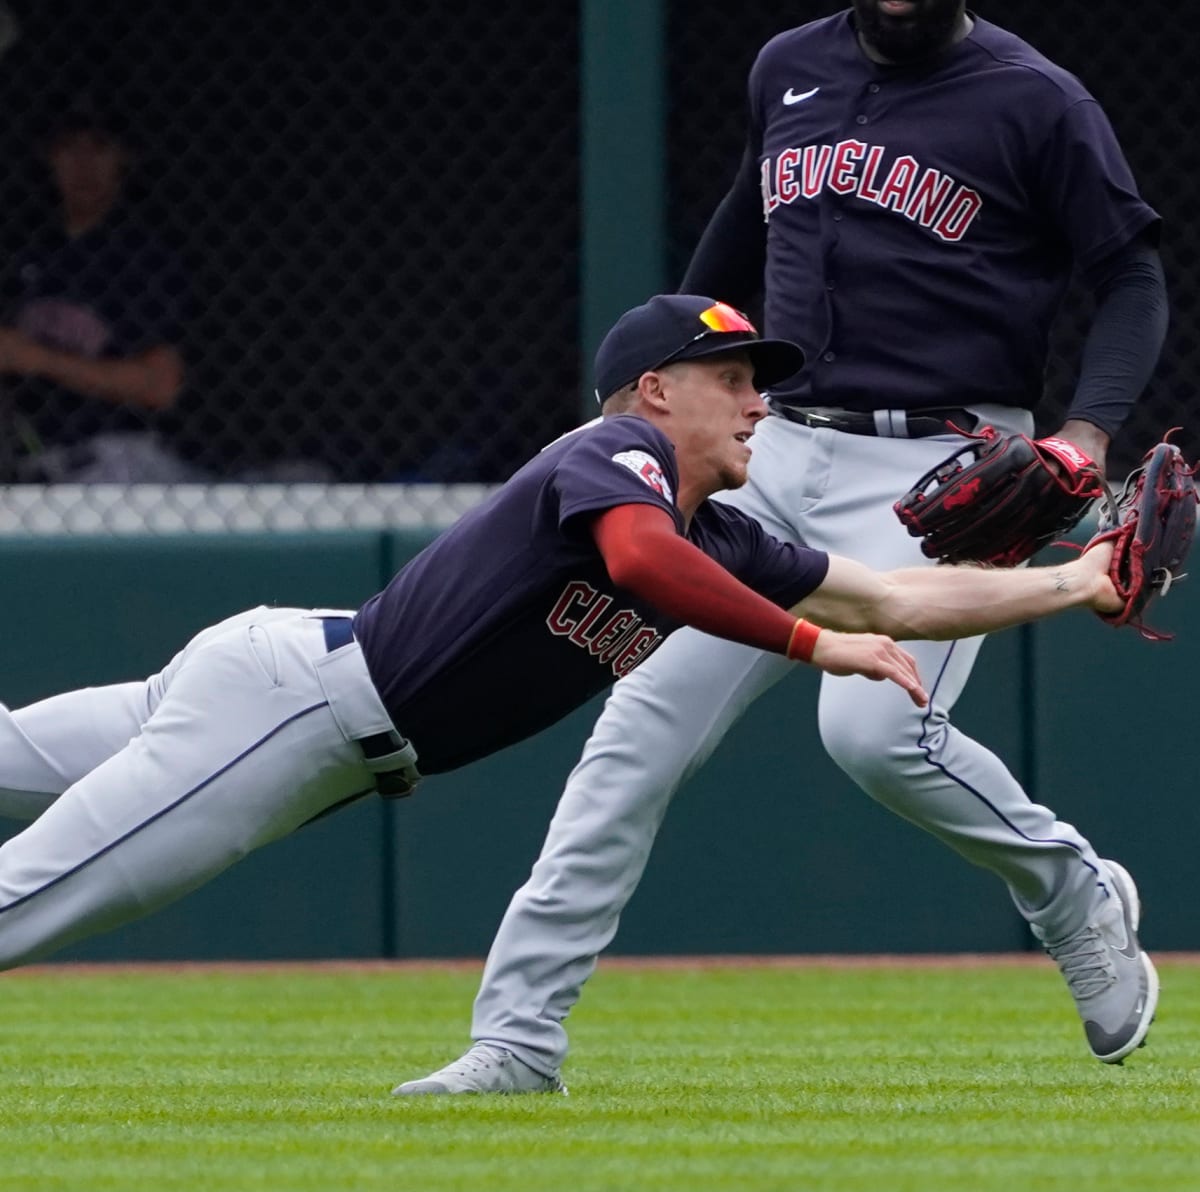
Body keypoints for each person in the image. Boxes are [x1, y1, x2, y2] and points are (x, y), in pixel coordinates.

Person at [0, 295, 1130, 1046]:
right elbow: (640, 558)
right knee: (37, 899)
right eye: (731, 378)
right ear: (655, 391)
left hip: (279, 679)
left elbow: (897, 595)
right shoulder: (610, 457)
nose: (759, 402)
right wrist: (810, 643)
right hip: (289, 713)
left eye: (758, 381)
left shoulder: (723, 533)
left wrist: (1076, 583)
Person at [399, 0, 1169, 1095]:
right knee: (633, 740)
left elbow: (1132, 277)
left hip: (940, 469)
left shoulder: (1036, 98)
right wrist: (646, 402)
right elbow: (737, 240)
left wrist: (1085, 430)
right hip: (769, 450)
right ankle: (518, 1042)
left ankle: (1068, 887)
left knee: (876, 734)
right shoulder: (788, 65)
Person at [0, 106, 204, 483]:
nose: (83, 164)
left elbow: (160, 386)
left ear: (124, 158)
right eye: (69, 148)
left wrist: (40, 359)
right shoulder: (24, 255)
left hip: (121, 461)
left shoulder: (142, 256)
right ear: (48, 158)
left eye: (99, 147)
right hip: (33, 468)